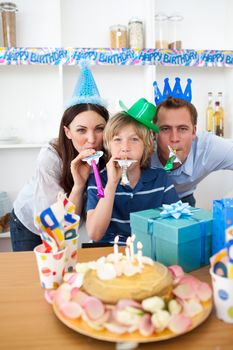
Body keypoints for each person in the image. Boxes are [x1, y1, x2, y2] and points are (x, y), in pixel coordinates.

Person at [10, 61, 109, 251]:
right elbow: (56, 225)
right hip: (33, 224)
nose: (91, 139)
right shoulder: (51, 158)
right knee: (35, 277)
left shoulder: (109, 153)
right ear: (67, 132)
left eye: (99, 129)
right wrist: (79, 185)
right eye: (81, 130)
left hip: (68, 225)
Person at [86, 98, 179, 244]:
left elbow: (176, 225)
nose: (125, 147)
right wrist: (111, 184)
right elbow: (94, 234)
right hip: (108, 254)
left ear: (146, 146)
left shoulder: (161, 180)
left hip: (148, 251)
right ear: (108, 146)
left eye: (134, 139)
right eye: (117, 140)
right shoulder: (98, 180)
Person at [151, 95, 233, 206]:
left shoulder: (207, 147)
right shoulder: (141, 148)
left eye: (182, 129)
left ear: (194, 132)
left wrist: (228, 205)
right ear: (153, 133)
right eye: (165, 129)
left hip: (183, 198)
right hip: (148, 197)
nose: (174, 138)